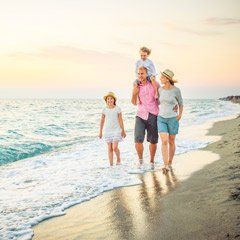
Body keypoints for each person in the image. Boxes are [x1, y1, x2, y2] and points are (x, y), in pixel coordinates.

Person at [131, 66, 160, 169]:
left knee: (153, 140)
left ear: (147, 74)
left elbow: (161, 99)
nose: (140, 76)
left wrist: (173, 106)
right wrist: (134, 93)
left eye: (142, 73)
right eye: (138, 74)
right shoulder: (136, 86)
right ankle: (141, 161)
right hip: (140, 114)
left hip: (153, 114)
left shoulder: (154, 84)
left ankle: (152, 161)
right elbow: (134, 102)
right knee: (138, 139)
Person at [157, 69, 183, 173]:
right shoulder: (160, 90)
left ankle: (170, 162)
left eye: (162, 77)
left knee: (171, 141)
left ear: (167, 79)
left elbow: (180, 103)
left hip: (173, 118)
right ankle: (165, 164)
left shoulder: (176, 90)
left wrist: (180, 114)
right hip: (161, 118)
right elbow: (158, 101)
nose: (160, 79)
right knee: (164, 141)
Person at [99, 92, 126, 166]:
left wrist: (123, 130)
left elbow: (121, 120)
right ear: (106, 100)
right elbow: (102, 121)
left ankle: (118, 159)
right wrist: (100, 132)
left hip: (117, 130)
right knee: (109, 149)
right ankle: (111, 165)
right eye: (108, 99)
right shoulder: (104, 109)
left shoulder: (118, 109)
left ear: (114, 100)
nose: (109, 100)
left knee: (114, 147)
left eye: (111, 99)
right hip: (107, 131)